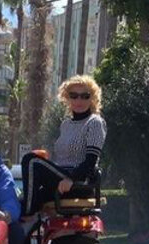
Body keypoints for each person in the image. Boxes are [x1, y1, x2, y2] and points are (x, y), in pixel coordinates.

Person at [22, 75, 107, 216]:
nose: (79, 100)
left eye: (85, 96)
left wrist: (71, 179)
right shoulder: (66, 124)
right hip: (60, 179)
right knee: (18, 202)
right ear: (67, 98)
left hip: (78, 182)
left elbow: (90, 162)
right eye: (74, 96)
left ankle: (27, 212)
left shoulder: (95, 122)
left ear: (92, 98)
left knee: (31, 160)